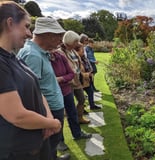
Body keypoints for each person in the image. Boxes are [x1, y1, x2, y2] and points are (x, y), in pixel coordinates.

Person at [0, 2, 61, 159]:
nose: (29, 34)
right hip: (18, 151)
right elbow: (17, 116)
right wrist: (52, 123)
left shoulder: (13, 57)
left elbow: (38, 90)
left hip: (37, 143)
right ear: (10, 23)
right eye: (26, 26)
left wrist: (47, 118)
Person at [17, 17, 70, 160]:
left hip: (52, 107)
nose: (61, 40)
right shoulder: (33, 55)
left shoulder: (39, 52)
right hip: (48, 110)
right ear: (47, 34)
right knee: (48, 144)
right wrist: (47, 117)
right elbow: (32, 91)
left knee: (51, 144)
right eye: (58, 36)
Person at [75, 44, 102, 110]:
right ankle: (81, 110)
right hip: (80, 81)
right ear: (76, 51)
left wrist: (90, 72)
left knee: (90, 92)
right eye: (82, 50)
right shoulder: (76, 60)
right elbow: (78, 72)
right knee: (81, 98)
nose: (83, 51)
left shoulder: (83, 57)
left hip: (86, 80)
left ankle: (92, 106)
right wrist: (87, 74)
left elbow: (88, 65)